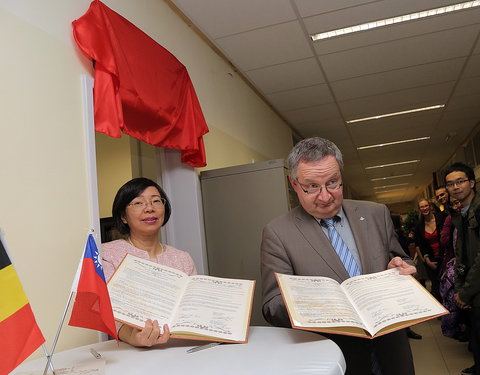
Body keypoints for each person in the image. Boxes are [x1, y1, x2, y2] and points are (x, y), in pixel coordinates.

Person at [261, 137, 416, 375]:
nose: (325, 196)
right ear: (294, 184)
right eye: (311, 186)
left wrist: (404, 267)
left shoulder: (376, 213)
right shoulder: (278, 233)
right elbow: (272, 306)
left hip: (390, 350)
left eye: (333, 183)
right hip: (335, 356)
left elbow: (401, 259)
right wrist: (315, 301)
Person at [102, 177, 196, 347]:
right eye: (138, 203)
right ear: (123, 216)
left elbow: (191, 308)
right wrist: (132, 337)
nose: (150, 208)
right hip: (130, 353)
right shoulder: (107, 254)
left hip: (179, 348)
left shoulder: (183, 258)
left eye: (156, 201)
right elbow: (106, 312)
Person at [444, 162, 480, 375]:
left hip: (474, 289)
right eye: (450, 184)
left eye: (460, 181)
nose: (455, 187)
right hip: (470, 290)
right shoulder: (462, 214)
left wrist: (465, 292)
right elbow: (461, 256)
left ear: (472, 182)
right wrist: (459, 289)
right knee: (475, 334)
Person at [391, 214, 422, 340]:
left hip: (403, 265)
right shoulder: (394, 234)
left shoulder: (397, 233)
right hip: (396, 270)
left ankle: (407, 328)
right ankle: (405, 329)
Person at [414, 199, 447, 302]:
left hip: (446, 256)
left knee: (448, 283)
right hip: (431, 260)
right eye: (422, 207)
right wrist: (427, 261)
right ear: (419, 209)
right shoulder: (418, 227)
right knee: (436, 285)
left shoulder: (441, 218)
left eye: (426, 205)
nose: (425, 208)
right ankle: (442, 312)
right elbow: (420, 246)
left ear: (430, 206)